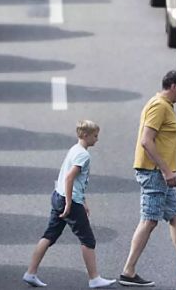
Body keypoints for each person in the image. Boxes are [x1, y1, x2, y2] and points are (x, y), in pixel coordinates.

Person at [119, 71, 176, 287]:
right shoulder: (159, 106)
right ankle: (128, 271)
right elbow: (146, 141)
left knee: (175, 218)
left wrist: (175, 144)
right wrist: (167, 171)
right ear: (174, 86)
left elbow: (158, 138)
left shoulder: (165, 105)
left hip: (159, 173)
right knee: (149, 220)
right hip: (154, 173)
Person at [23, 121, 116, 289]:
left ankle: (31, 272)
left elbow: (76, 181)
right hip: (69, 200)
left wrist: (83, 201)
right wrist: (69, 204)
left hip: (58, 196)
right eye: (95, 136)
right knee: (88, 239)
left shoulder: (74, 149)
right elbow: (69, 178)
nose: (97, 139)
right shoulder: (83, 155)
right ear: (86, 135)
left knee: (49, 235)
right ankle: (94, 278)